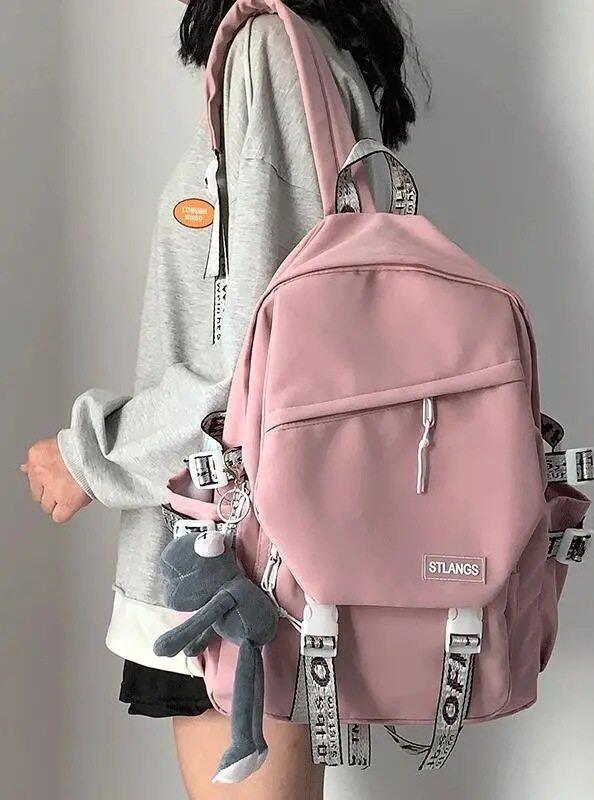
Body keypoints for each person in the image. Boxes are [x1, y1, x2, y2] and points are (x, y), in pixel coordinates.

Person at [21, 1, 422, 797]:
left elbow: (261, 357)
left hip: (233, 554)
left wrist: (92, 455)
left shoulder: (271, 49)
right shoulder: (319, 56)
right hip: (273, 543)